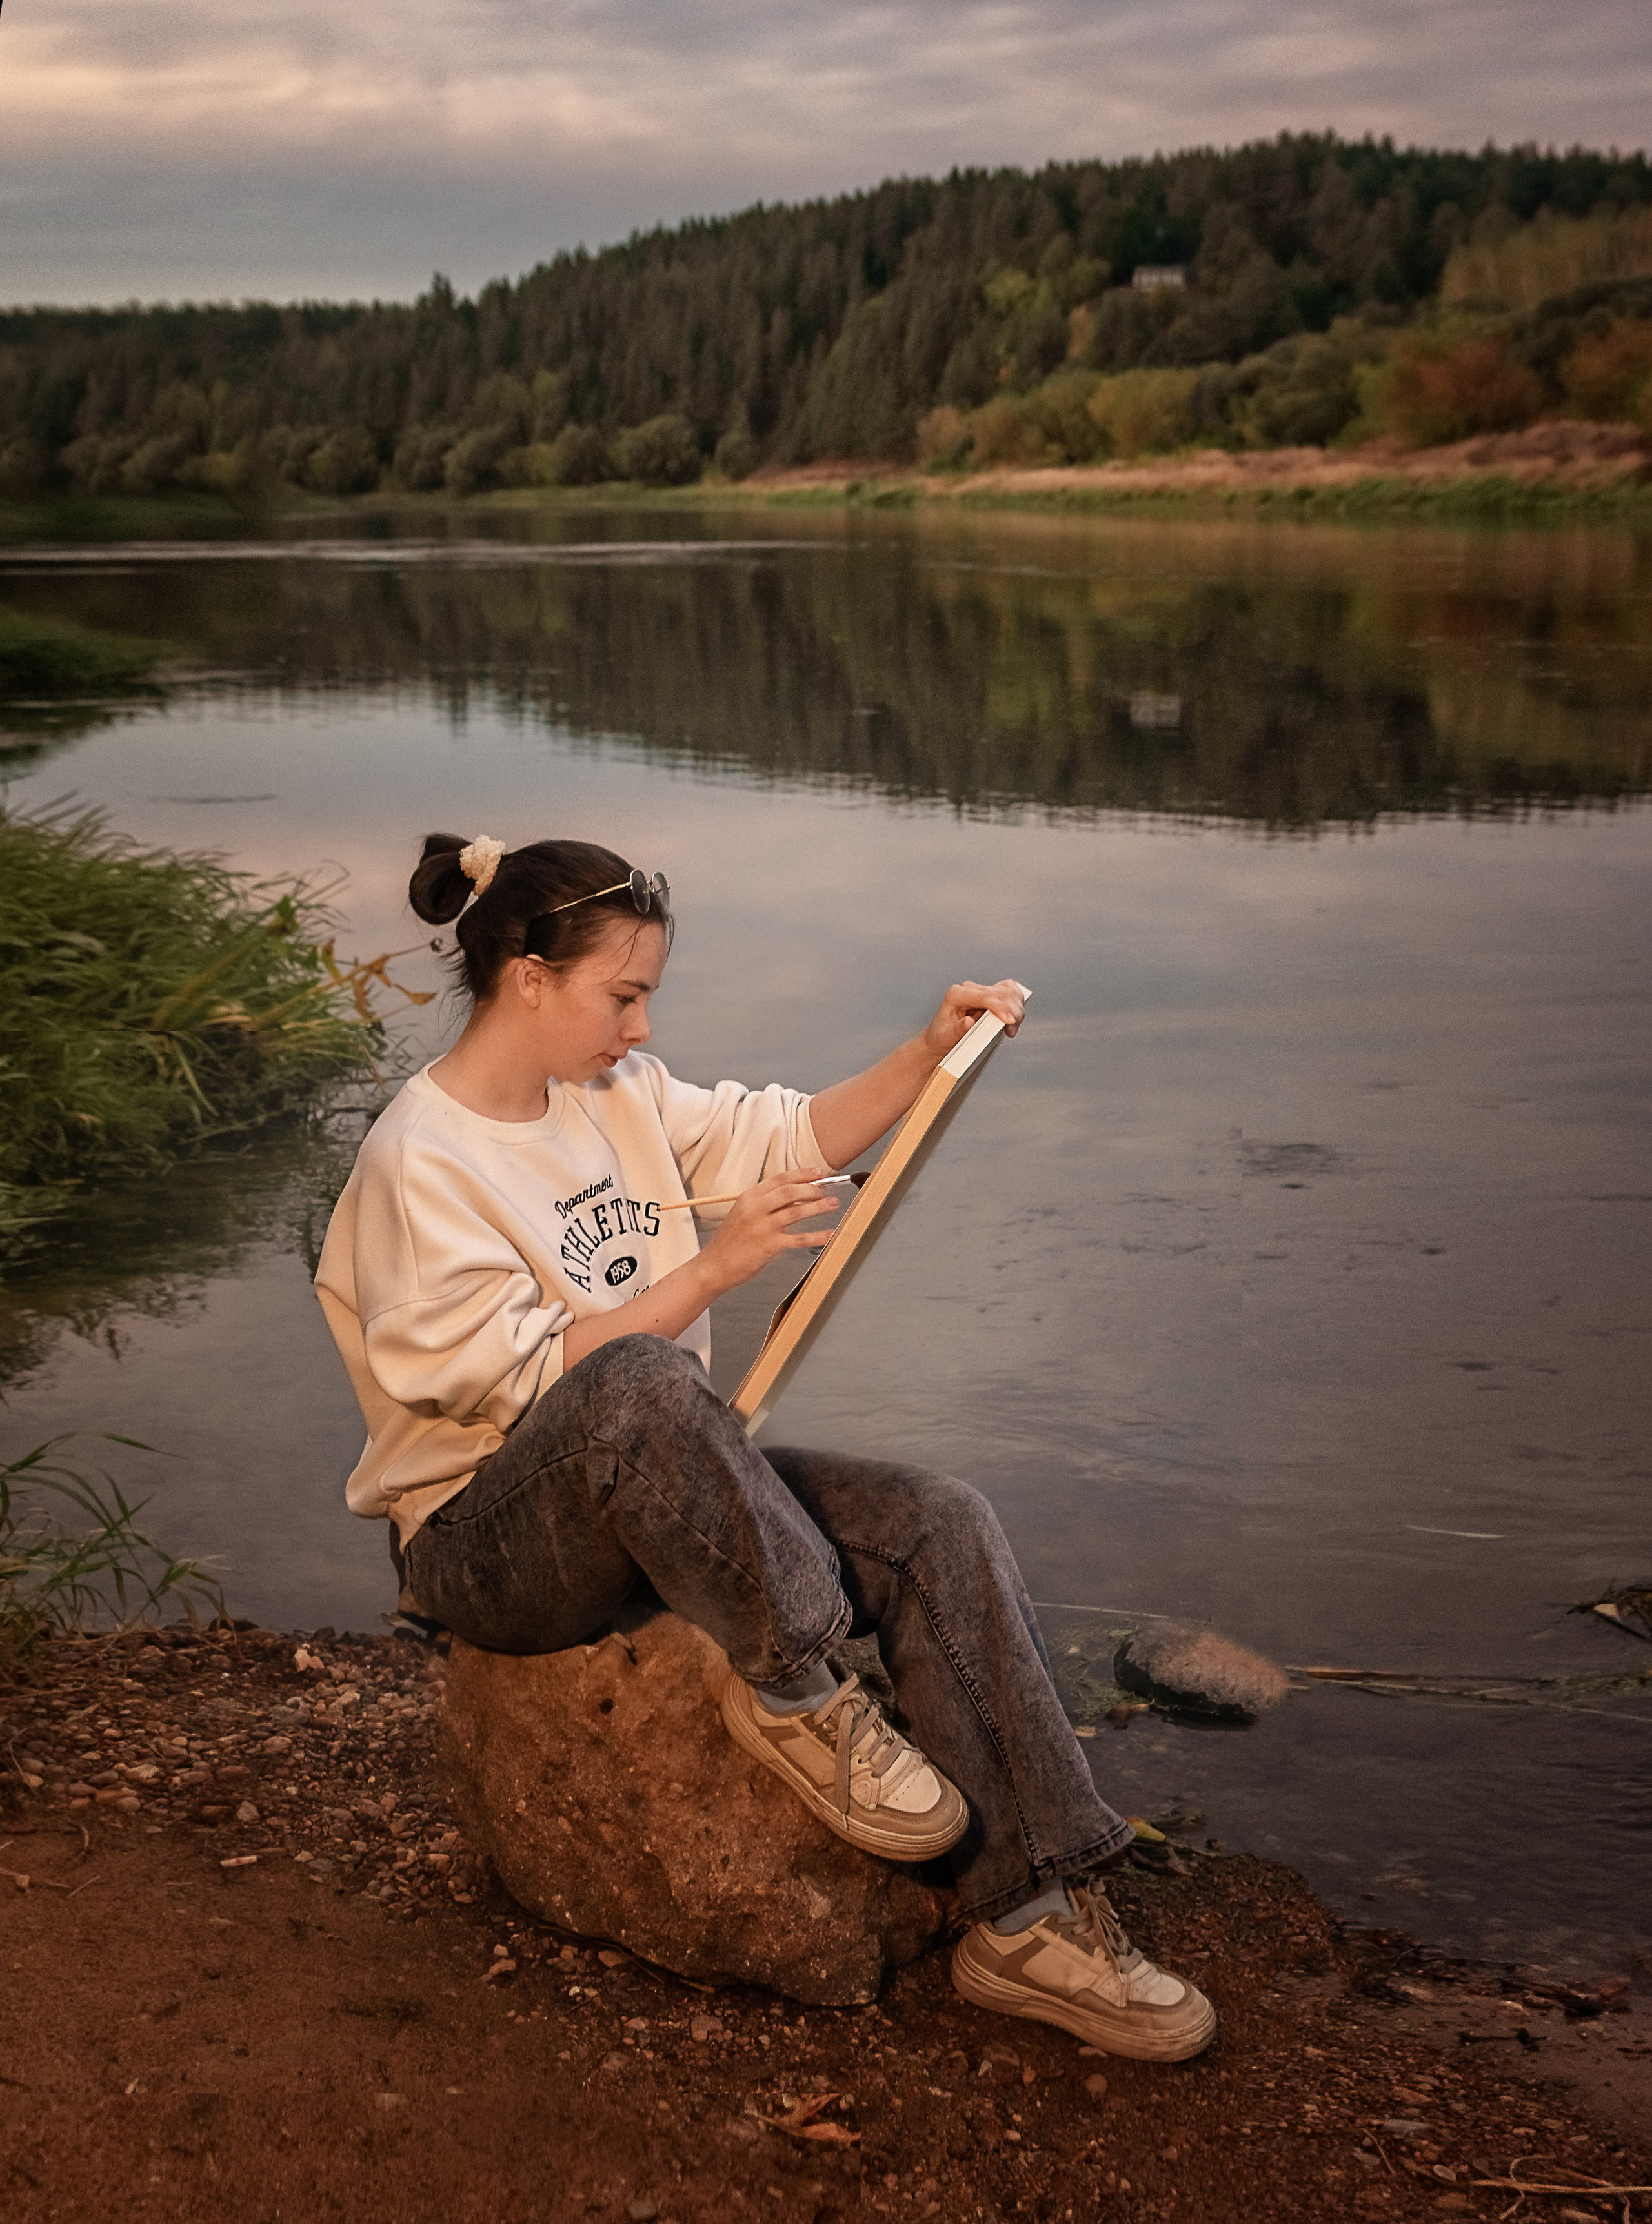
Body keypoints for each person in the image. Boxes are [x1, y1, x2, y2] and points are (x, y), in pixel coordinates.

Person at [315, 831, 1215, 2062]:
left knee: (932, 1516)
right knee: (638, 1377)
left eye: (648, 998)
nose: (637, 1027)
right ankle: (798, 1687)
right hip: (486, 1539)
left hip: (649, 1471)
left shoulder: (610, 1096)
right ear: (528, 974)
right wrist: (716, 1267)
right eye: (621, 994)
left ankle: (1032, 1916)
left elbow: (785, 1134)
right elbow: (535, 1383)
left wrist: (927, 1050)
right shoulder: (418, 1160)